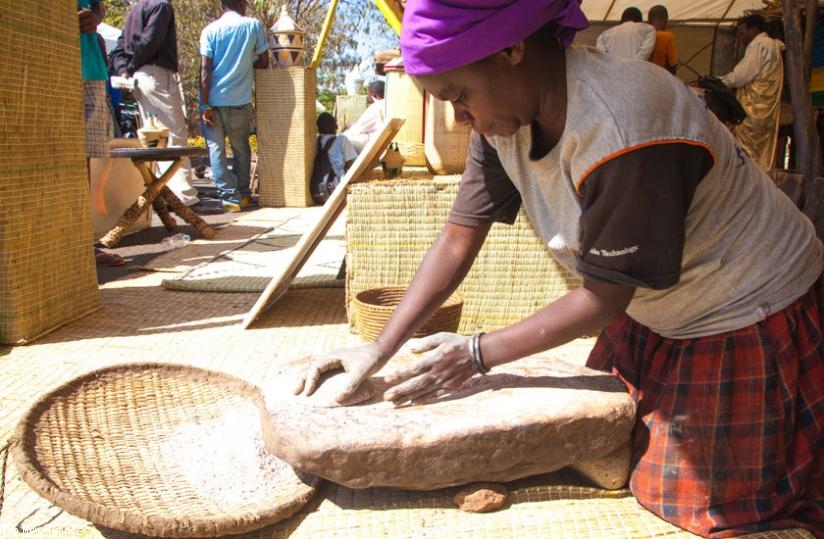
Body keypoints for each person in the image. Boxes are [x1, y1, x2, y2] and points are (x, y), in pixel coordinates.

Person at [294, 1, 824, 537]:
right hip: (657, 309)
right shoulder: (504, 120)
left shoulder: (623, 121)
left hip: (746, 306)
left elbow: (605, 297)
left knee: (692, 499)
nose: (459, 118)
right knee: (600, 446)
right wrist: (377, 348)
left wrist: (476, 354)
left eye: (458, 97)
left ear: (510, 50)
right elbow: (458, 236)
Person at [109, 0, 200, 207]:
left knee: (153, 137)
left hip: (141, 76)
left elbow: (121, 46)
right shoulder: (161, 6)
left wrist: (125, 69)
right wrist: (131, 67)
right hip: (156, 73)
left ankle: (162, 193)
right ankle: (183, 196)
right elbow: (151, 40)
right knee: (174, 134)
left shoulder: (135, 10)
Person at [198, 0, 269, 213]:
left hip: (213, 101)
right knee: (241, 150)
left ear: (222, 5)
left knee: (216, 151)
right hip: (240, 101)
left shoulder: (209, 31)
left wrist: (204, 105)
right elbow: (264, 62)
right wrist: (245, 65)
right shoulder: (253, 26)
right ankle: (244, 196)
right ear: (242, 3)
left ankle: (229, 200)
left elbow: (205, 70)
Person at [79, 0, 124, 267]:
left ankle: (83, 242)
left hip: (90, 68)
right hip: (47, 62)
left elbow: (98, 6)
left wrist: (95, 14)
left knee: (84, 158)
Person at [719, 14, 785, 171]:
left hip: (753, 109)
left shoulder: (759, 45)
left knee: (748, 152)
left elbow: (741, 76)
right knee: (761, 152)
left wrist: (719, 81)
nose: (740, 37)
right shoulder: (773, 45)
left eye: (742, 32)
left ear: (754, 29)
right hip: (766, 110)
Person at [343, 80, 386, 153]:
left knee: (345, 139)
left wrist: (343, 135)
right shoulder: (387, 104)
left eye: (368, 94)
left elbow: (358, 129)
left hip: (376, 146)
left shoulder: (375, 107)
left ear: (373, 95)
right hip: (383, 141)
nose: (367, 97)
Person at [647, 5, 677, 74]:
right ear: (659, 19)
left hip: (645, 77)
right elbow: (672, 65)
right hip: (661, 78)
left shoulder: (642, 35)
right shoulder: (667, 36)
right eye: (665, 21)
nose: (666, 25)